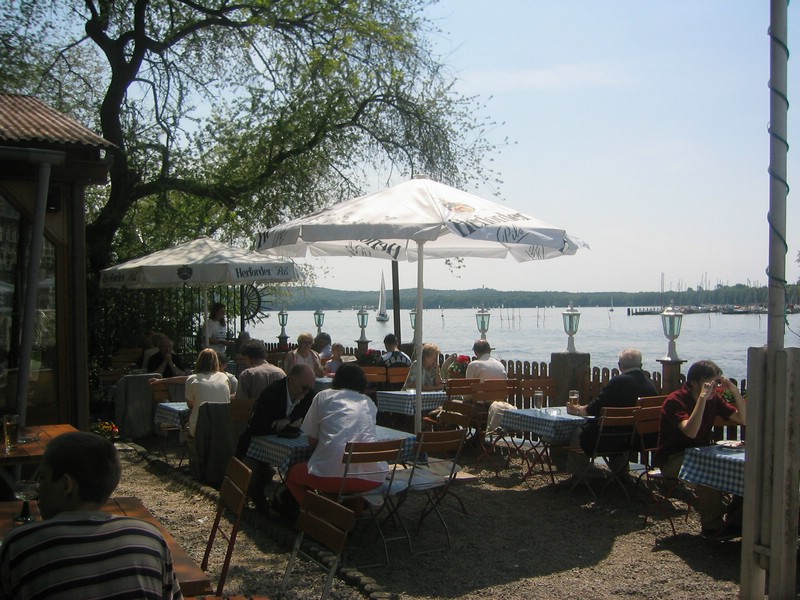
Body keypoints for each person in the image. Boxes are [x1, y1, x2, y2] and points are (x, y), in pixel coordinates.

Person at [0, 432, 182, 599]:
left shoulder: (21, 546)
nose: (38, 488)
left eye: (43, 478)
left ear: (66, 485)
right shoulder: (149, 538)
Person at [655, 359, 746, 538]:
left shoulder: (714, 399)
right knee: (708, 475)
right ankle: (712, 527)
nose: (714, 388)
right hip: (673, 458)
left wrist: (734, 391)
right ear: (695, 382)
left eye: (716, 383)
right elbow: (690, 431)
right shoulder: (676, 401)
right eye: (710, 383)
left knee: (743, 473)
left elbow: (744, 420)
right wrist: (702, 399)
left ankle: (735, 521)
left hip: (701, 454)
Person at [286, 363, 387, 505]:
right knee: (348, 480)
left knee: (291, 474)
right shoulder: (368, 402)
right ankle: (349, 514)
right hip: (372, 477)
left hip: (329, 476)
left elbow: (312, 441)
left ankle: (319, 512)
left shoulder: (323, 396)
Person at [237, 364, 316, 513]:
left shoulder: (308, 394)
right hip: (255, 445)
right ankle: (261, 505)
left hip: (287, 443)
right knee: (255, 469)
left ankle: (290, 505)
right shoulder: (272, 393)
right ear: (292, 380)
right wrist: (289, 423)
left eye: (310, 388)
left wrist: (289, 420)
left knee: (304, 463)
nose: (307, 392)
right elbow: (258, 426)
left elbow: (305, 414)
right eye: (304, 388)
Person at [567, 348, 657, 454]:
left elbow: (592, 409)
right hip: (643, 439)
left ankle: (578, 469)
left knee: (577, 432)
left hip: (612, 439)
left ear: (619, 366)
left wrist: (576, 410)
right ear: (640, 365)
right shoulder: (650, 384)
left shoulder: (617, 382)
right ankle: (619, 469)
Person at [185, 348, 231, 436]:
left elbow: (190, 404)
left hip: (200, 427)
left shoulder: (192, 379)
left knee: (186, 426)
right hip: (222, 426)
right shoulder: (224, 377)